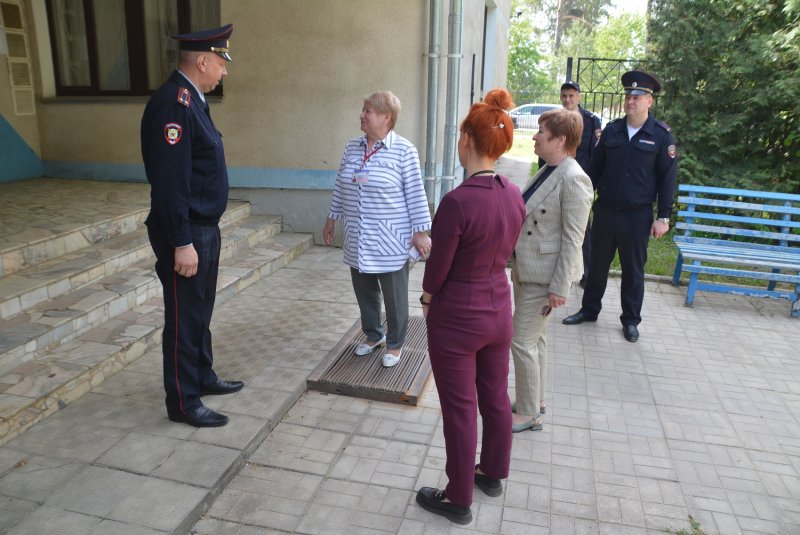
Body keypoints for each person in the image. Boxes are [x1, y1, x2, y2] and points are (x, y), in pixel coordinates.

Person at [415, 88, 525, 525]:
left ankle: (458, 497)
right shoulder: (513, 193)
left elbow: (438, 266)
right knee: (495, 398)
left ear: (467, 141)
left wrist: (426, 298)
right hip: (499, 310)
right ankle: (492, 473)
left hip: (458, 317)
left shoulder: (458, 201)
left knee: (460, 410)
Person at [141, 24, 244, 428]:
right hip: (185, 231)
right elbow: (170, 183)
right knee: (184, 317)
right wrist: (182, 241)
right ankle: (184, 402)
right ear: (202, 61)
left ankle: (202, 375)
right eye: (221, 62)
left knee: (200, 311)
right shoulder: (174, 105)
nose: (224, 71)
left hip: (203, 227)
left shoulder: (194, 100)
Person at [562, 70, 678, 343]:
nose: (630, 101)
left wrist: (663, 216)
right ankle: (589, 310)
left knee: (633, 271)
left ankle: (630, 320)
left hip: (637, 216)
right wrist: (580, 199)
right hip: (606, 211)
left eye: (637, 97)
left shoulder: (661, 137)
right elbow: (593, 171)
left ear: (649, 101)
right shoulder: (612, 130)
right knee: (598, 265)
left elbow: (667, 179)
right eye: (628, 95)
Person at [323, 91, 431, 368]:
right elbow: (341, 184)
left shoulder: (404, 150)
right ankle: (373, 335)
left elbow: (416, 193)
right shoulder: (352, 147)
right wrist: (332, 217)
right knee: (364, 290)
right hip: (358, 236)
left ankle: (395, 344)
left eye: (367, 110)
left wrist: (420, 232)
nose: (361, 115)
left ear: (386, 117)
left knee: (394, 296)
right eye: (363, 110)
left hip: (390, 238)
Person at [510, 108, 593, 433]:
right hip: (528, 270)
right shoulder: (549, 169)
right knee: (535, 339)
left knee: (521, 341)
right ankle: (536, 400)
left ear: (560, 140)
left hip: (545, 278)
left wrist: (561, 287)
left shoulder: (574, 178)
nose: (533, 136)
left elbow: (575, 239)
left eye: (540, 132)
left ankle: (530, 413)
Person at [558, 80, 602, 287]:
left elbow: (596, 155)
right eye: (565, 95)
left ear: (579, 97)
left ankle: (588, 275)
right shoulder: (555, 120)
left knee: (582, 228)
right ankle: (560, 271)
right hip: (558, 179)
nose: (568, 99)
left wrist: (591, 184)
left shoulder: (591, 121)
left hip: (581, 182)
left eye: (572, 95)